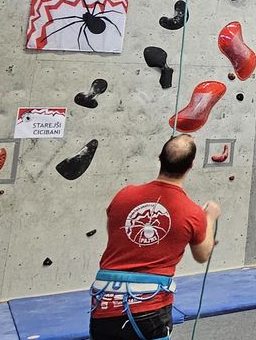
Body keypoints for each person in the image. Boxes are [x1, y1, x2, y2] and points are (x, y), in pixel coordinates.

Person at [89, 135, 220, 340]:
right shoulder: (192, 212)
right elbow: (202, 255)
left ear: (160, 157)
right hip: (149, 305)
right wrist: (210, 217)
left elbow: (114, 232)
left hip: (105, 302)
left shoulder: (124, 194)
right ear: (191, 166)